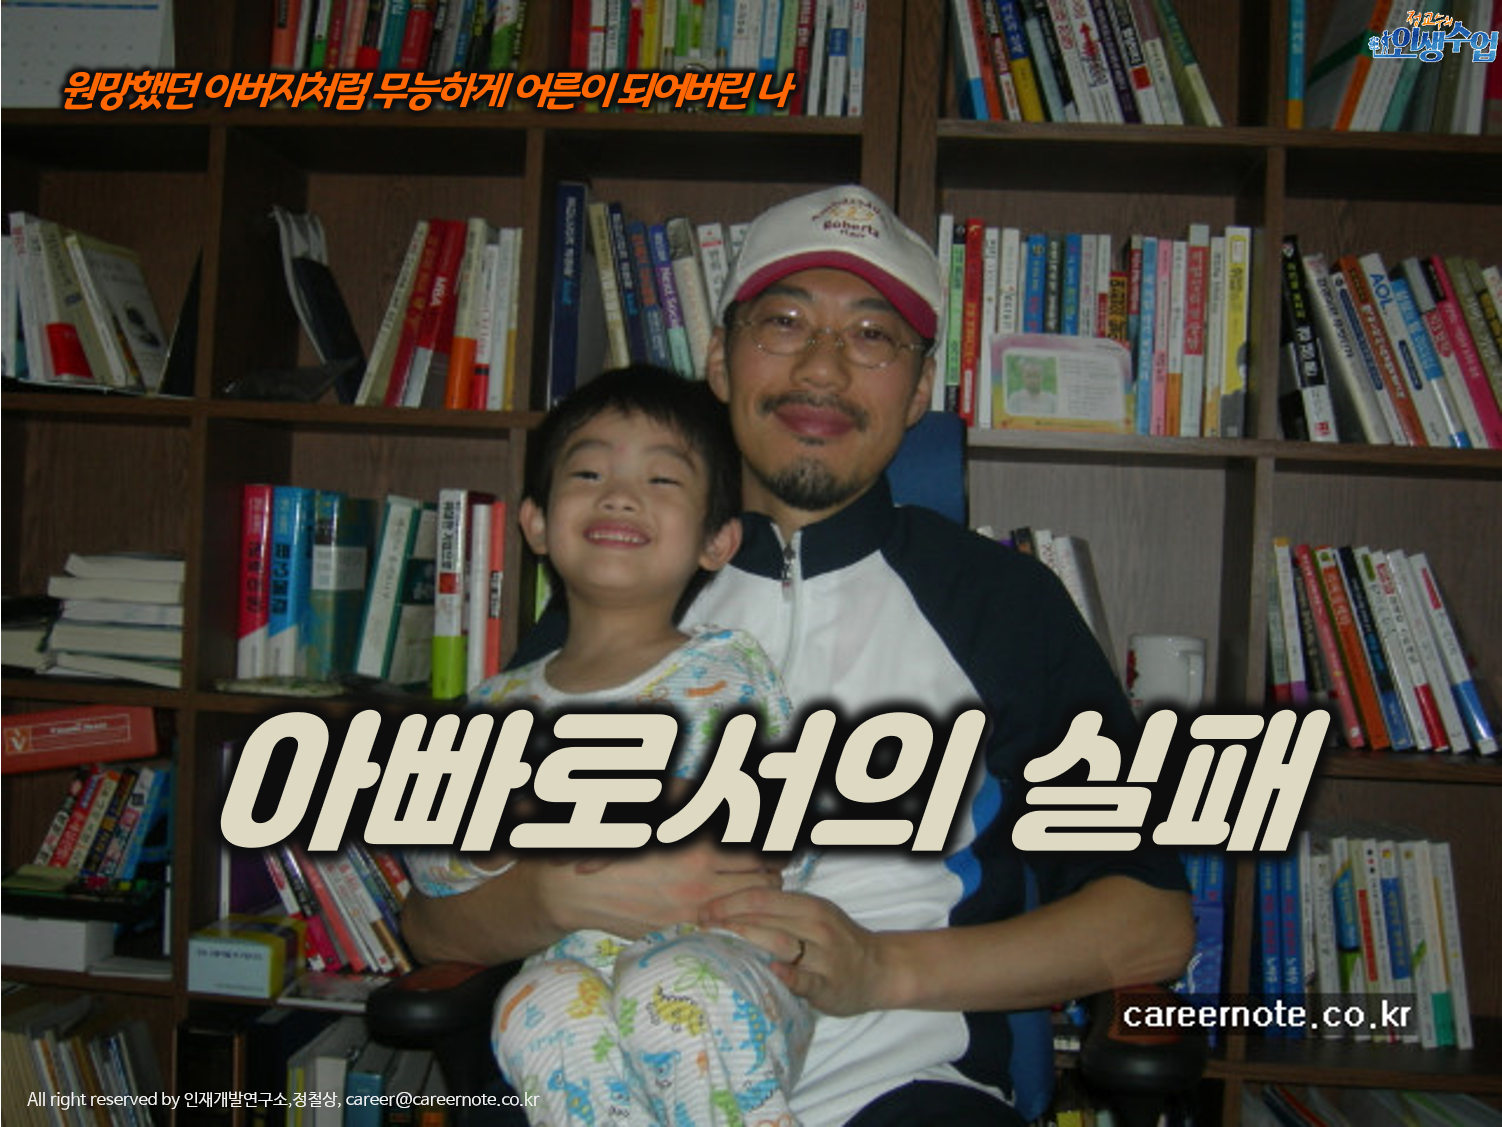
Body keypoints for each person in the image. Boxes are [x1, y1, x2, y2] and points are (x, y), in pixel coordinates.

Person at [401, 185, 1195, 1127]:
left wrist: (884, 966)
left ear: (918, 390)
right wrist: (561, 893)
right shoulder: (622, 586)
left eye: (872, 335)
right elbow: (433, 920)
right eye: (783, 323)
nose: (822, 367)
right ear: (720, 360)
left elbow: (1152, 922)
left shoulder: (1002, 604)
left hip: (902, 1081)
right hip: (614, 1073)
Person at [406, 367, 815, 1125]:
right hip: (573, 965)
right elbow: (432, 865)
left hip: (723, 964)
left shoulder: (730, 667)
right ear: (536, 524)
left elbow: (792, 831)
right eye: (589, 473)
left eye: (662, 479)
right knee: (533, 1003)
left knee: (672, 989)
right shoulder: (492, 707)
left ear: (717, 540)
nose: (620, 495)